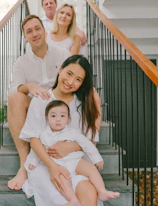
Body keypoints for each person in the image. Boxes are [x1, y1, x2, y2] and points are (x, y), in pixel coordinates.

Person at [19, 55, 105, 206]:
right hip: (46, 163)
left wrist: (71, 147)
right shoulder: (41, 100)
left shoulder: (83, 104)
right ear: (60, 69)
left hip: (75, 162)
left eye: (78, 79)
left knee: (90, 196)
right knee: (63, 198)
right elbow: (33, 139)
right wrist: (52, 167)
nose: (71, 82)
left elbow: (91, 139)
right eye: (69, 73)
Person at [7, 14, 71, 191]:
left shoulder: (63, 54)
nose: (34, 34)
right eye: (29, 31)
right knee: (15, 98)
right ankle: (23, 165)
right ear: (24, 36)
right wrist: (28, 86)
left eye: (37, 29)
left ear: (44, 31)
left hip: (60, 104)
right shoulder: (21, 62)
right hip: (34, 106)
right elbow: (13, 90)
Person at [24, 100, 120, 205]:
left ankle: (102, 191)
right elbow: (37, 150)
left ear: (68, 119)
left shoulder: (73, 133)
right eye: (53, 116)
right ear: (47, 118)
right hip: (59, 164)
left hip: (75, 161)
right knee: (61, 181)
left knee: (91, 169)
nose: (58, 120)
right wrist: (33, 162)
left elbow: (87, 145)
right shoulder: (44, 135)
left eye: (62, 116)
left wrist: (97, 158)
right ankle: (73, 200)